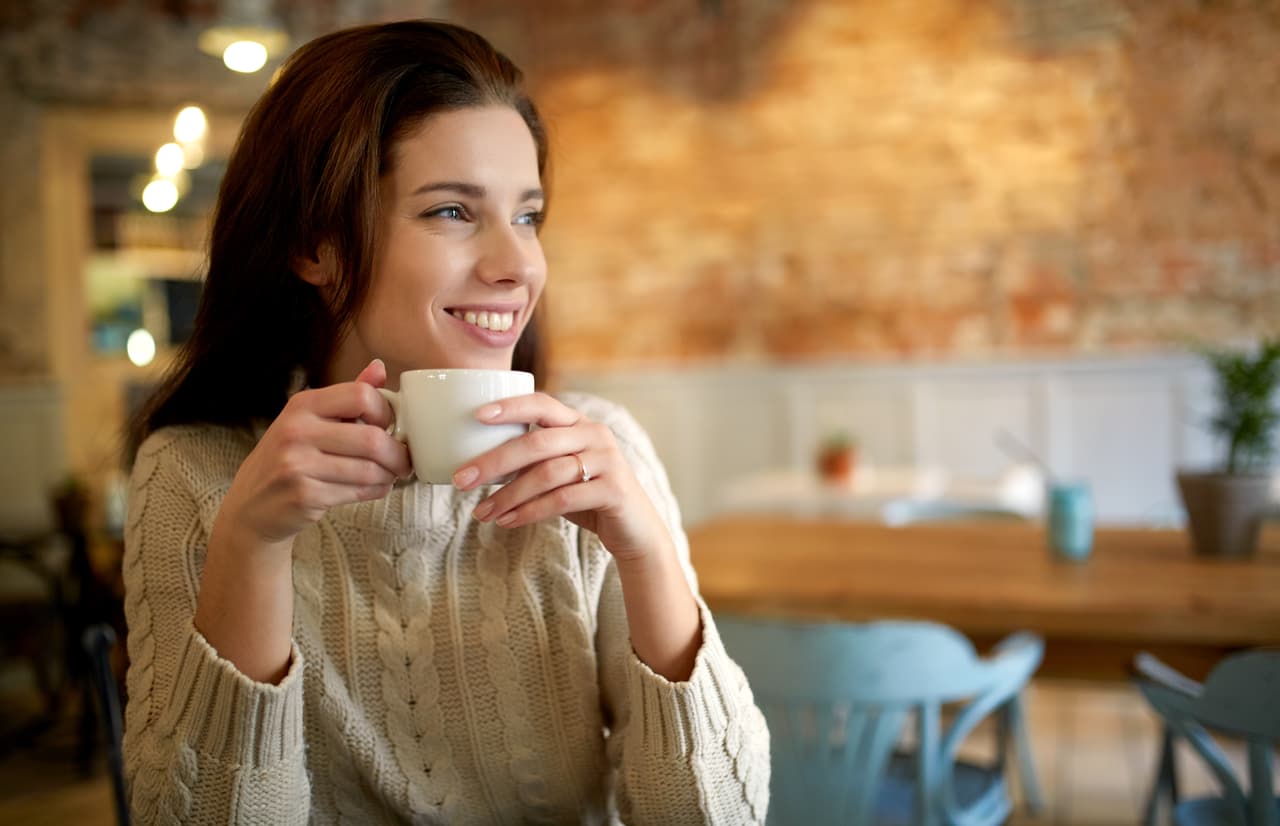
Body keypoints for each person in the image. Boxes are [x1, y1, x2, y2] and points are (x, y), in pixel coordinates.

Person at [122, 19, 770, 825]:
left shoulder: (600, 453)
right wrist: (251, 545)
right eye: (453, 212)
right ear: (315, 246)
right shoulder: (195, 476)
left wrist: (644, 549)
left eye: (527, 216)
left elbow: (718, 816)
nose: (518, 264)